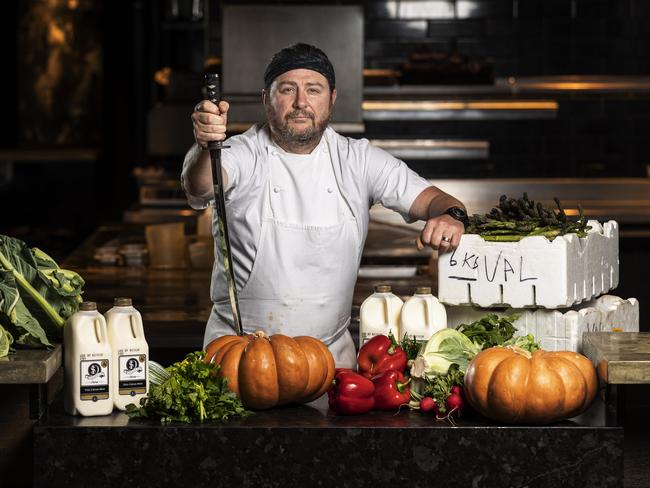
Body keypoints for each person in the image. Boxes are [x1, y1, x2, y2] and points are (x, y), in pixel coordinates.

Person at [182, 43, 467, 368]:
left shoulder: (358, 160)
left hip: (329, 364)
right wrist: (207, 145)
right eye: (287, 90)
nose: (301, 102)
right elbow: (201, 183)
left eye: (313, 90)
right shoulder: (241, 152)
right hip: (238, 359)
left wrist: (450, 215)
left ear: (332, 98)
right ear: (266, 99)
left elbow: (437, 201)